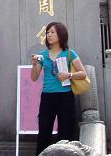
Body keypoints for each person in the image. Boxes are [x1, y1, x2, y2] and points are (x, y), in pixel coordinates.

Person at [30, 21, 87, 154]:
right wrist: (34, 64)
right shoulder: (42, 55)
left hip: (65, 96)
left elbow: (83, 73)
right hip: (47, 96)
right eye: (47, 32)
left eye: (52, 32)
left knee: (66, 131)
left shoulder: (69, 53)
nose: (49, 35)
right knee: (44, 130)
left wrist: (69, 75)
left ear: (61, 35)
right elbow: (34, 77)